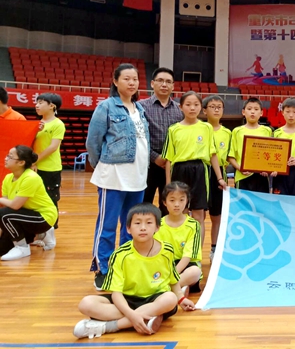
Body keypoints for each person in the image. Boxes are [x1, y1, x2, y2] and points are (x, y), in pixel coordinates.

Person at [73, 203, 192, 340]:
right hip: (126, 300)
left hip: (155, 298)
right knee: (86, 303)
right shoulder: (119, 255)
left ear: (157, 227)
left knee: (170, 299)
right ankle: (148, 317)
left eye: (149, 223)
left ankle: (109, 327)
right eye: (137, 223)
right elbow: (116, 294)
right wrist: (131, 314)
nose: (143, 227)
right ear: (128, 228)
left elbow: (173, 279)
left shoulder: (167, 250)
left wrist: (181, 298)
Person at [86, 63, 150, 291]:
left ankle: (123, 265)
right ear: (115, 81)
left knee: (131, 227)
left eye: (135, 79)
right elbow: (93, 142)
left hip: (138, 177)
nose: (132, 83)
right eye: (126, 79)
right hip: (113, 177)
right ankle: (102, 269)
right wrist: (101, 165)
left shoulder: (139, 108)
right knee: (107, 225)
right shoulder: (106, 107)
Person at [163, 91, 224, 240]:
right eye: (188, 104)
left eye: (196, 104)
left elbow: (213, 154)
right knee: (181, 213)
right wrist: (168, 184)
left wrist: (220, 178)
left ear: (200, 107)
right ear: (180, 107)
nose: (192, 108)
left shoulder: (206, 128)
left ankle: (196, 252)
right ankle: (181, 248)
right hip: (179, 171)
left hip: (200, 171)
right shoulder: (173, 129)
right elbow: (169, 159)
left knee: (198, 215)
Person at [0, 146, 57, 260]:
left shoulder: (31, 178)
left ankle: (22, 248)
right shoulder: (8, 178)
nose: (6, 158)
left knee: (3, 214)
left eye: (10, 156)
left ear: (21, 162)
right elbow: (7, 206)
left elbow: (14, 206)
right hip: (24, 215)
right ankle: (40, 235)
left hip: (43, 217)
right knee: (2, 249)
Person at [139, 68, 183, 216]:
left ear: (173, 86)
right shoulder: (141, 107)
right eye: (160, 81)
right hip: (147, 164)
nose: (164, 84)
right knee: (144, 203)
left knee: (169, 204)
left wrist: (170, 158)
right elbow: (138, 137)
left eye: (168, 82)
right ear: (152, 83)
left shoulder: (180, 110)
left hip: (171, 164)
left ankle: (165, 231)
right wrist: (155, 157)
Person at [155, 182, 201, 298]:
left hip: (185, 266)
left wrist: (173, 275)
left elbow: (187, 256)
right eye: (172, 200)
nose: (177, 204)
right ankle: (179, 288)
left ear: (187, 201)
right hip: (165, 266)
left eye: (181, 200)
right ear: (164, 202)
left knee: (195, 271)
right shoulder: (158, 225)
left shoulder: (193, 225)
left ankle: (165, 288)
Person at [203, 95, 233, 261]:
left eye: (219, 107)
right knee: (198, 216)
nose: (216, 110)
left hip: (220, 174)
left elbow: (231, 155)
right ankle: (195, 252)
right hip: (201, 171)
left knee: (217, 216)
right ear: (204, 110)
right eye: (212, 106)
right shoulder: (199, 129)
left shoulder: (228, 133)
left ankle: (214, 249)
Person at [227, 98, 273, 193]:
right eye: (249, 109)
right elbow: (231, 156)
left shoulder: (267, 131)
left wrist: (267, 169)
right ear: (243, 112)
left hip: (262, 176)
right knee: (243, 202)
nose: (252, 112)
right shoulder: (237, 131)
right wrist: (241, 169)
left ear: (261, 113)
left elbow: (271, 154)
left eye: (256, 109)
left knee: (261, 202)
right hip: (242, 176)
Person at [33, 93, 65, 226]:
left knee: (51, 199)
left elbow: (53, 147)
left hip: (50, 169)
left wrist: (34, 160)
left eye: (40, 103)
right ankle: (38, 229)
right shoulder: (37, 124)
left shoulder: (58, 124)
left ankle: (51, 228)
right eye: (36, 102)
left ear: (52, 106)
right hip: (34, 167)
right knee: (35, 198)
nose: (37, 105)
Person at [272, 98, 295, 197]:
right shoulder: (276, 133)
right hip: (280, 172)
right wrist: (274, 168)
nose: (291, 115)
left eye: (294, 112)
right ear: (282, 112)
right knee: (279, 200)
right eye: (288, 112)